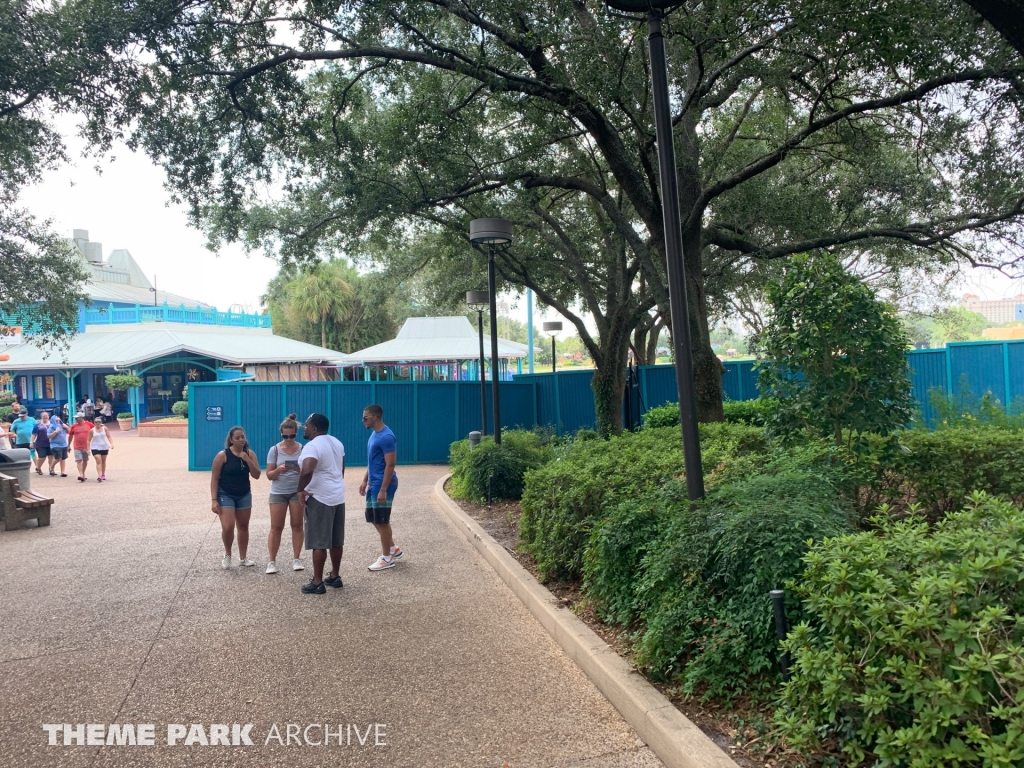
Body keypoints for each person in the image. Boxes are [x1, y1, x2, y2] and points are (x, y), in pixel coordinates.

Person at [296, 413, 346, 594]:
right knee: (336, 540)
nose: (304, 427)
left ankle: (317, 582)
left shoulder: (312, 446)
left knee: (319, 541)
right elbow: (341, 468)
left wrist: (300, 490)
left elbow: (307, 471)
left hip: (319, 497)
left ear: (314, 428)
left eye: (307, 425)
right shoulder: (337, 443)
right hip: (337, 496)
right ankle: (335, 575)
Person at [359, 404, 403, 571]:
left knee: (382, 521)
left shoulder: (387, 437)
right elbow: (373, 461)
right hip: (373, 483)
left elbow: (390, 464)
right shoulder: (374, 434)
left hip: (383, 484)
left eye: (365, 417)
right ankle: (393, 548)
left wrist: (383, 489)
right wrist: (365, 480)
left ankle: (387, 558)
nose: (363, 420)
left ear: (375, 417)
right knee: (373, 518)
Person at [210, 426, 261, 569]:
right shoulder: (222, 455)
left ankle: (243, 558)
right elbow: (214, 479)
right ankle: (227, 554)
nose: (241, 440)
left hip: (244, 494)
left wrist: (247, 459)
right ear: (231, 440)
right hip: (225, 494)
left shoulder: (249, 453)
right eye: (237, 438)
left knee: (243, 526)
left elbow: (257, 475)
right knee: (228, 527)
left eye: (242, 437)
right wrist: (214, 500)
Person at [264, 413, 305, 575]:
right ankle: (272, 561)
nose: (288, 439)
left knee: (297, 525)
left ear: (296, 434)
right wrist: (279, 470)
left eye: (292, 436)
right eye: (285, 436)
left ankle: (297, 558)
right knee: (276, 527)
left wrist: (300, 470)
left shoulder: (303, 449)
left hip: (296, 491)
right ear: (281, 434)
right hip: (278, 491)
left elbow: (309, 472)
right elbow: (269, 475)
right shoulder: (274, 450)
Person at [68, 412, 95, 482]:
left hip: (86, 446)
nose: (76, 419)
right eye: (76, 418)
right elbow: (70, 436)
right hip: (77, 446)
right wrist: (68, 445)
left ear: (82, 417)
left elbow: (96, 430)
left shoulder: (89, 424)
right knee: (78, 460)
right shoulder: (74, 426)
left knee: (85, 460)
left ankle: (83, 472)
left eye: (77, 418)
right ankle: (81, 474)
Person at [31, 411, 52, 475]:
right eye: (43, 416)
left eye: (46, 416)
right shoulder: (37, 425)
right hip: (40, 443)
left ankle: (51, 469)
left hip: (51, 443)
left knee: (51, 456)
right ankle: (38, 467)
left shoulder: (52, 424)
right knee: (42, 457)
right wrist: (31, 442)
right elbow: (34, 434)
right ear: (41, 417)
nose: (45, 417)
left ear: (48, 416)